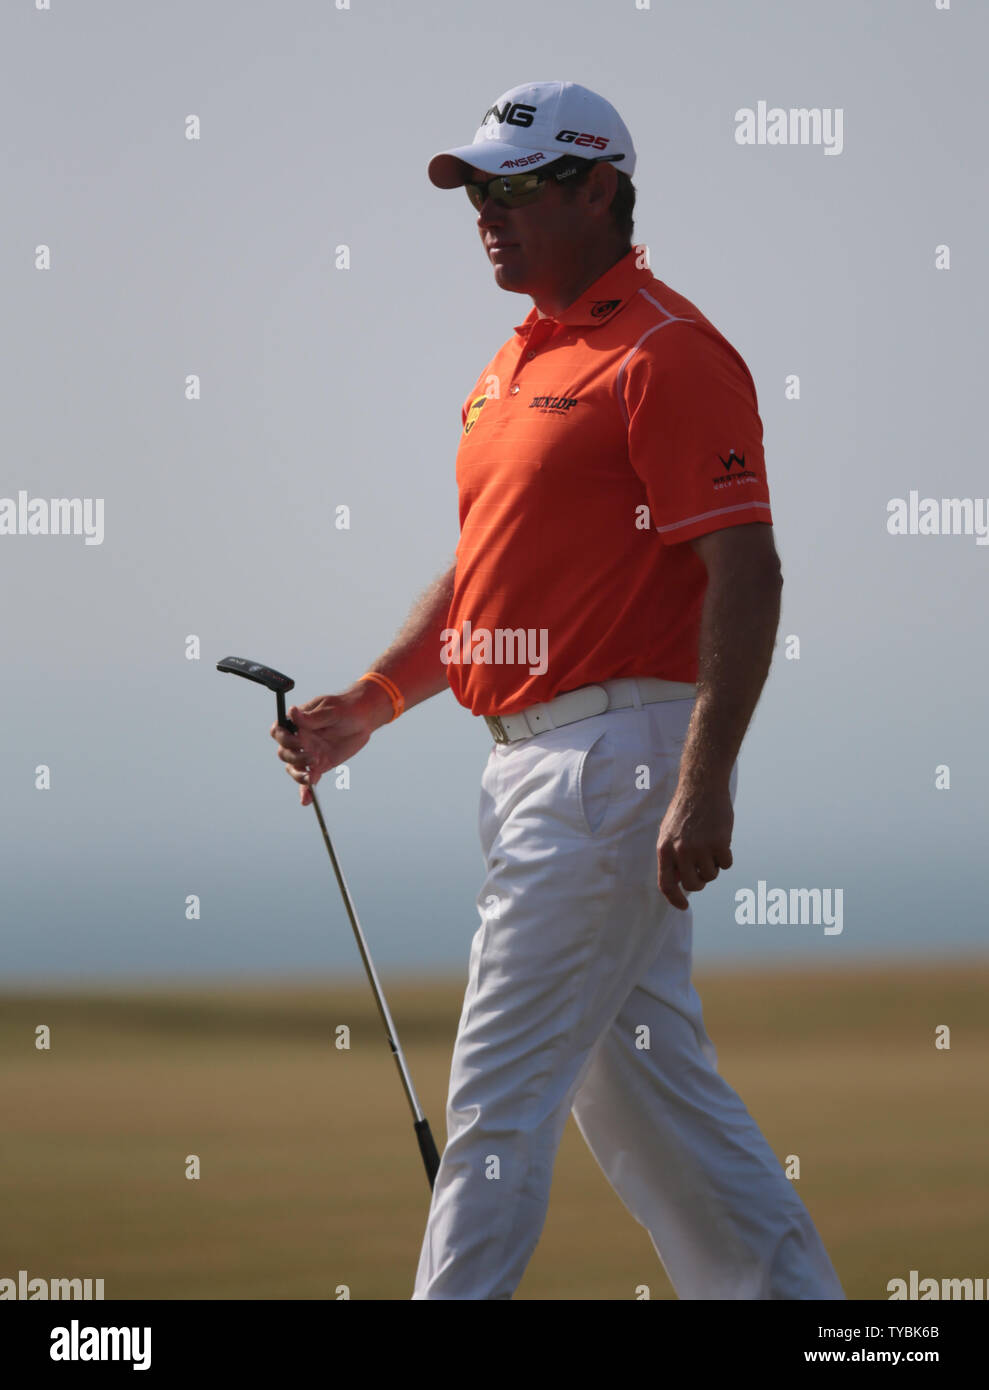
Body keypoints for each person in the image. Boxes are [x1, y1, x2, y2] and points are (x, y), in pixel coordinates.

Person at [272, 80, 845, 1301]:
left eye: (518, 187)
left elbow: (746, 568)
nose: (489, 212)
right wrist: (370, 702)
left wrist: (700, 782)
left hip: (614, 764)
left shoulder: (663, 350)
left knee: (493, 1099)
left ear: (600, 188)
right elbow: (489, 581)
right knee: (648, 1108)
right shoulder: (514, 361)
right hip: (535, 764)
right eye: (478, 191)